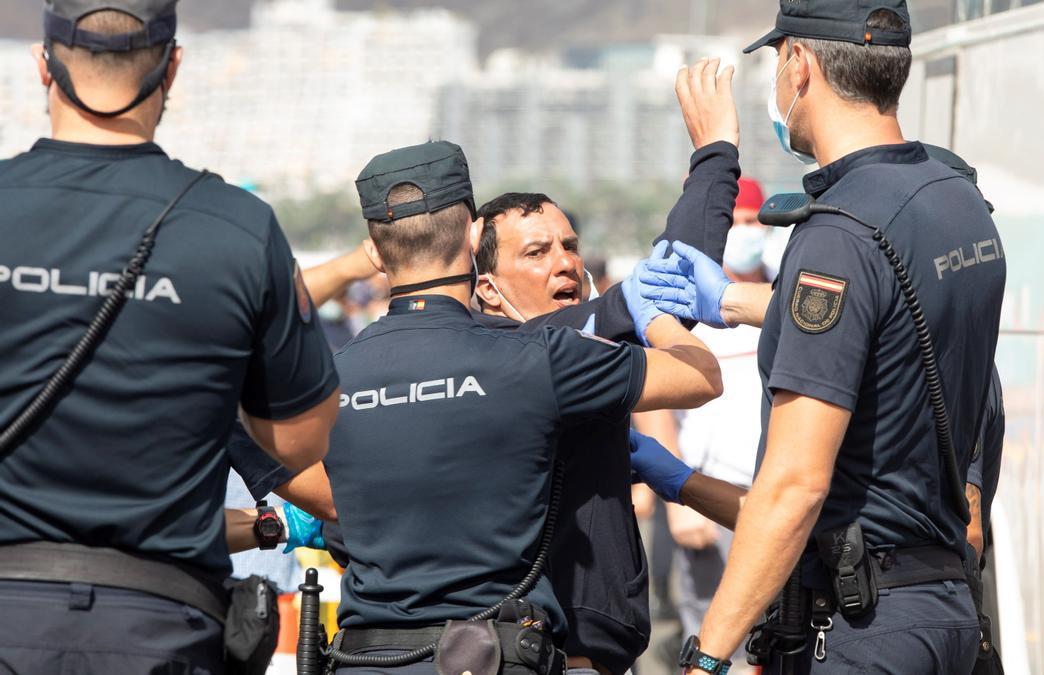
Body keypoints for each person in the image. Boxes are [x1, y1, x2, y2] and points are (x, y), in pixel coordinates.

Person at [639, 1, 1006, 672]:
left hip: (861, 624)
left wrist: (707, 658)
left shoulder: (836, 234)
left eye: (776, 64)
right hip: (945, 607)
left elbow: (795, 484)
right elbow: (893, 324)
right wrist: (735, 300)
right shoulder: (956, 198)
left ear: (800, 65)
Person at [0, 1, 341, 672]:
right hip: (162, 623)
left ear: (43, 65)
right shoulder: (237, 228)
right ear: (172, 67)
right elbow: (303, 442)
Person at [318, 140, 723, 674]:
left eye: (569, 247)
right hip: (493, 653)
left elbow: (272, 457)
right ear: (471, 236)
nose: (566, 265)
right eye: (538, 252)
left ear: (376, 245)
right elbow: (700, 375)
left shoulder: (331, 375)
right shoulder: (536, 359)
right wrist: (653, 314)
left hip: (367, 657)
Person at [661, 176, 769, 672]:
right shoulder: (681, 304)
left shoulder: (781, 294)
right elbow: (654, 403)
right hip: (712, 498)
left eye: (754, 221)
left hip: (771, 500)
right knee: (710, 643)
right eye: (738, 222)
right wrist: (682, 498)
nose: (747, 231)